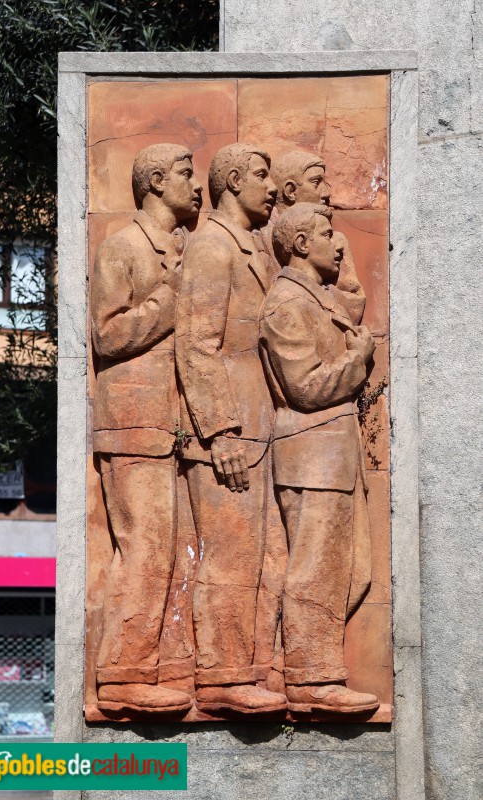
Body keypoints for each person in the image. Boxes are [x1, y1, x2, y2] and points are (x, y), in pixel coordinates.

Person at [175, 143, 287, 715]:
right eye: (263, 177)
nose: (272, 187)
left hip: (258, 426)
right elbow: (196, 346)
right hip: (227, 433)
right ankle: (219, 679)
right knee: (230, 557)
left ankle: (246, 672)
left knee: (258, 557)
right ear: (233, 180)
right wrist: (220, 433)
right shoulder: (212, 248)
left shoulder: (251, 247)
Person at [91, 143, 202, 714]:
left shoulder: (176, 249)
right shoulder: (124, 248)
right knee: (147, 549)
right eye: (186, 174)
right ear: (157, 182)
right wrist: (171, 295)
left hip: (172, 428)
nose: (197, 185)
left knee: (174, 554)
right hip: (133, 425)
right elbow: (107, 336)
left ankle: (156, 666)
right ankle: (120, 675)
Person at [259, 202, 379, 713]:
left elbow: (351, 294)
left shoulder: (319, 298)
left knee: (354, 571)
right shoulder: (285, 303)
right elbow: (305, 387)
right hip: (310, 454)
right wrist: (359, 359)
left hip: (332, 455)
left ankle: (306, 664)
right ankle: (311, 679)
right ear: (302, 245)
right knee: (316, 570)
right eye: (329, 236)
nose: (340, 244)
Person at [266, 151, 365, 325]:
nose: (326, 193)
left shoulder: (335, 241)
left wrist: (313, 297)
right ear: (291, 191)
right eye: (316, 182)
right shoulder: (260, 238)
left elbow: (353, 301)